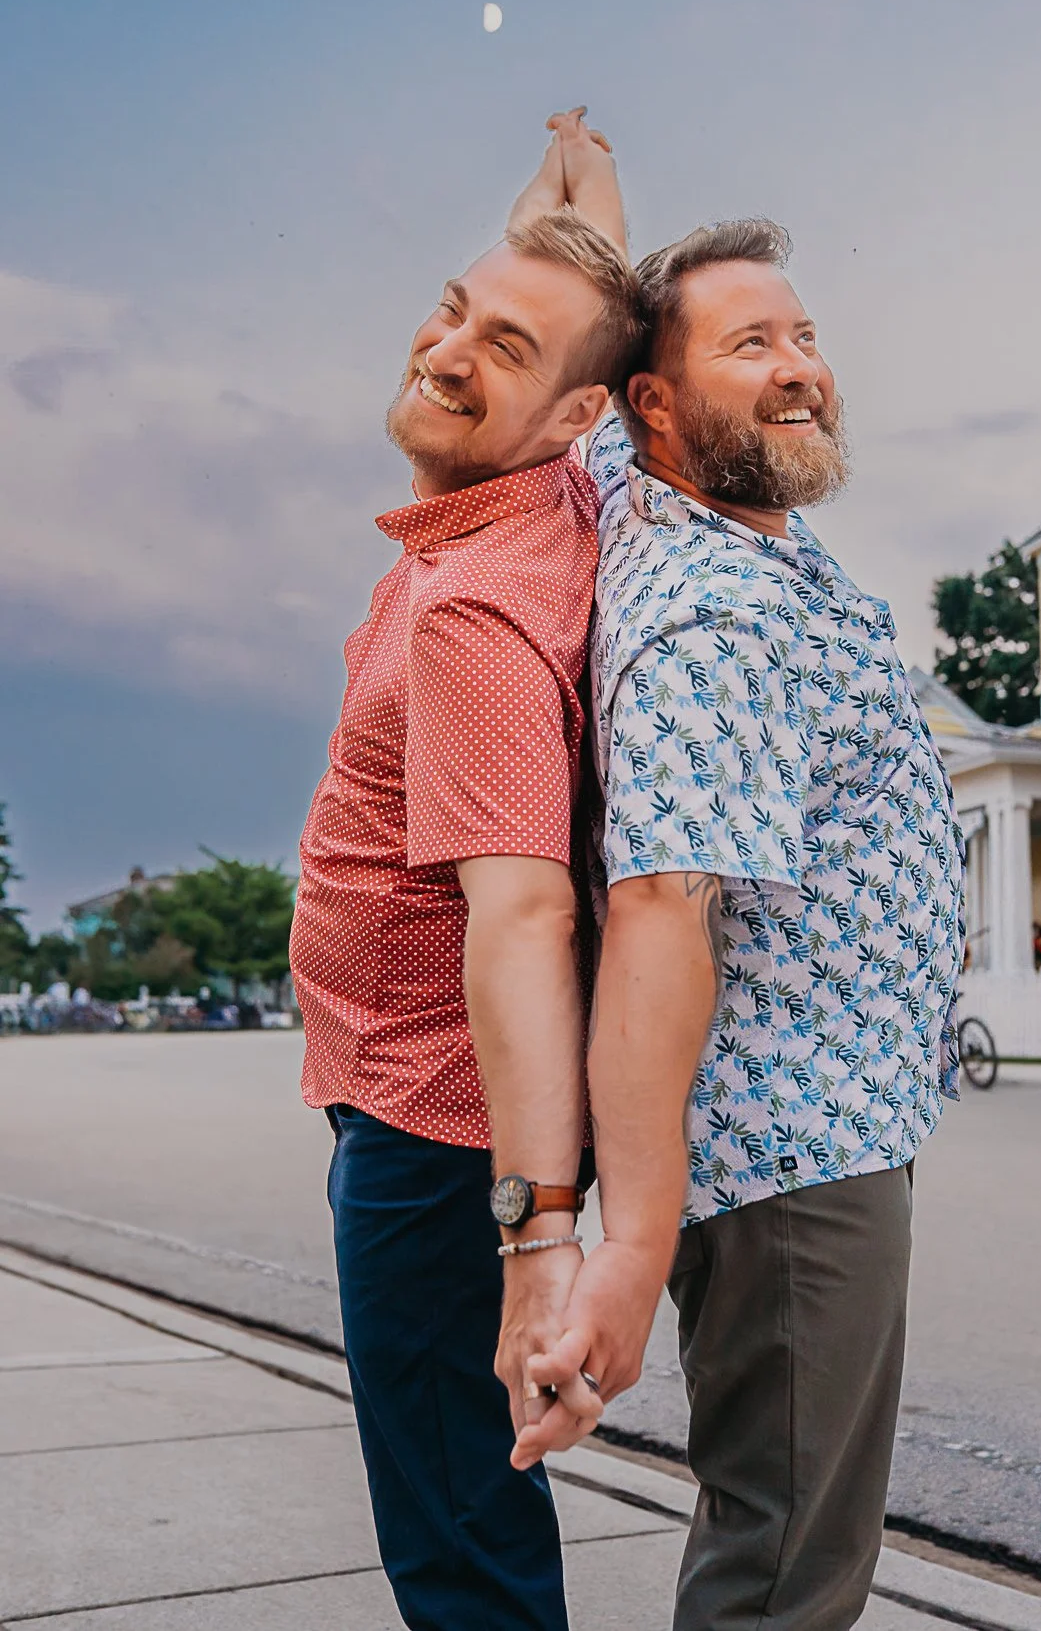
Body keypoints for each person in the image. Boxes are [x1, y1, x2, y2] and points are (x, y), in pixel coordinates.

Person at [514, 125, 966, 1631]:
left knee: (779, 1547)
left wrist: (574, 174)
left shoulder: (650, 492)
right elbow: (660, 911)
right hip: (795, 1157)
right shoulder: (716, 613)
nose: (799, 369)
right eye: (751, 346)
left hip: (830, 1122)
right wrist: (629, 1248)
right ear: (654, 401)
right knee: (784, 1574)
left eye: (805, 336)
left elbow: (594, 307)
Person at [289, 125, 643, 1631]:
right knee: (463, 1511)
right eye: (451, 307)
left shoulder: (476, 611)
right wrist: (572, 217)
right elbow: (582, 340)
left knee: (455, 1536)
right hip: (423, 1112)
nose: (445, 351)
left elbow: (521, 918)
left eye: (503, 348)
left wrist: (534, 1236)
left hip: (434, 1132)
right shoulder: (559, 493)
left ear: (573, 412)